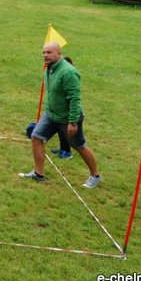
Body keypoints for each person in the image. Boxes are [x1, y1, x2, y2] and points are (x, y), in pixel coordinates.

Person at [19, 42, 102, 188]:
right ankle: (38, 174)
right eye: (44, 52)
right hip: (51, 115)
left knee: (79, 145)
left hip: (67, 118)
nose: (45, 55)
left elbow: (75, 99)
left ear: (59, 53)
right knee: (36, 137)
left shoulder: (68, 72)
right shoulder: (50, 68)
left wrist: (73, 122)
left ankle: (95, 175)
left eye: (49, 52)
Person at [50, 56, 75, 159]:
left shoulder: (69, 78)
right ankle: (63, 148)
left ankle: (68, 152)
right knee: (60, 131)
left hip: (67, 112)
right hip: (60, 111)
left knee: (65, 132)